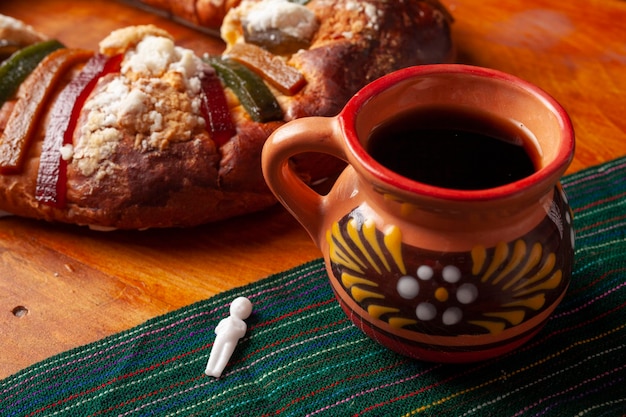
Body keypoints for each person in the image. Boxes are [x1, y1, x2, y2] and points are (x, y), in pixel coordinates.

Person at [204, 296, 253, 378]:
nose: (239, 308)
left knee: (225, 354)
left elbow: (242, 333)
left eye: (242, 308)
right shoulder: (225, 320)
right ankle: (209, 367)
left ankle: (218, 370)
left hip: (231, 341)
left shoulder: (242, 324)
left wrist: (234, 327)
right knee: (215, 352)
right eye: (237, 306)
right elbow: (217, 329)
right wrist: (223, 328)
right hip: (220, 337)